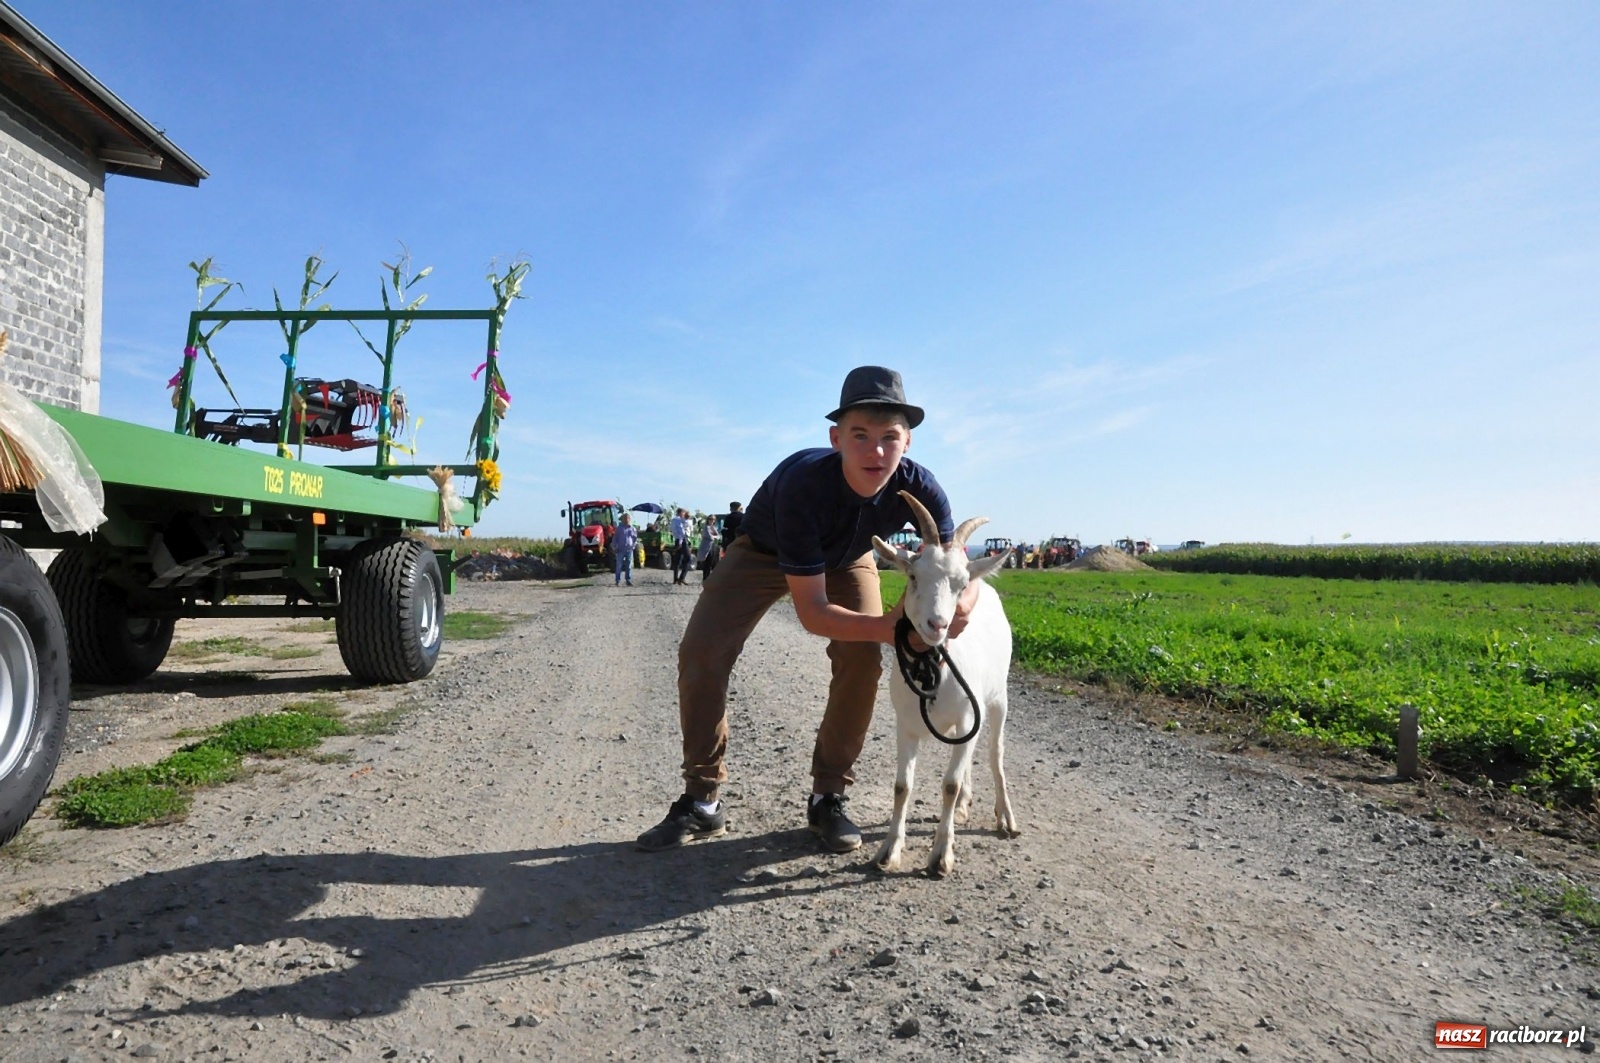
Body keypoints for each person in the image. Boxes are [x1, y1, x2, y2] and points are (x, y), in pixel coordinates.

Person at [637, 366, 978, 854]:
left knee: (861, 661)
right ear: (836, 437)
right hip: (763, 552)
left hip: (848, 556)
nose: (875, 451)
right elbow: (813, 613)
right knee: (702, 653)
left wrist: (958, 609)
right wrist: (890, 627)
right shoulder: (804, 484)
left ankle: (829, 797)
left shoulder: (923, 488)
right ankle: (701, 801)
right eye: (860, 435)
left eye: (889, 437)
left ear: (908, 443)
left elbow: (957, 571)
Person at [612, 512, 639, 587]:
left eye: (628, 518)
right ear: (623, 519)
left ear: (630, 519)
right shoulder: (619, 528)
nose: (627, 519)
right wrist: (614, 547)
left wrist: (633, 546)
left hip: (629, 549)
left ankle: (628, 580)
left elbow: (635, 538)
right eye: (625, 518)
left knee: (629, 565)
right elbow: (615, 538)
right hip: (620, 549)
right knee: (619, 565)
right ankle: (617, 580)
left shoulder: (632, 528)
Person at [669, 507, 693, 585]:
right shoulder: (679, 520)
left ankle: (675, 578)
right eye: (684, 513)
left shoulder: (674, 520)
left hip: (678, 540)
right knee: (688, 558)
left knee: (678, 560)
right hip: (682, 540)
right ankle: (682, 578)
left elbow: (672, 529)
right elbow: (682, 531)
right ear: (681, 513)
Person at [696, 515, 720, 581]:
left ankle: (708, 578)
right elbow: (710, 537)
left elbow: (718, 536)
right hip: (706, 546)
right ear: (708, 520)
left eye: (713, 519)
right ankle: (705, 578)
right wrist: (715, 536)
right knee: (706, 562)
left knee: (711, 562)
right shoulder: (706, 527)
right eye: (710, 519)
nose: (712, 521)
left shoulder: (713, 528)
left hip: (712, 546)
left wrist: (715, 536)